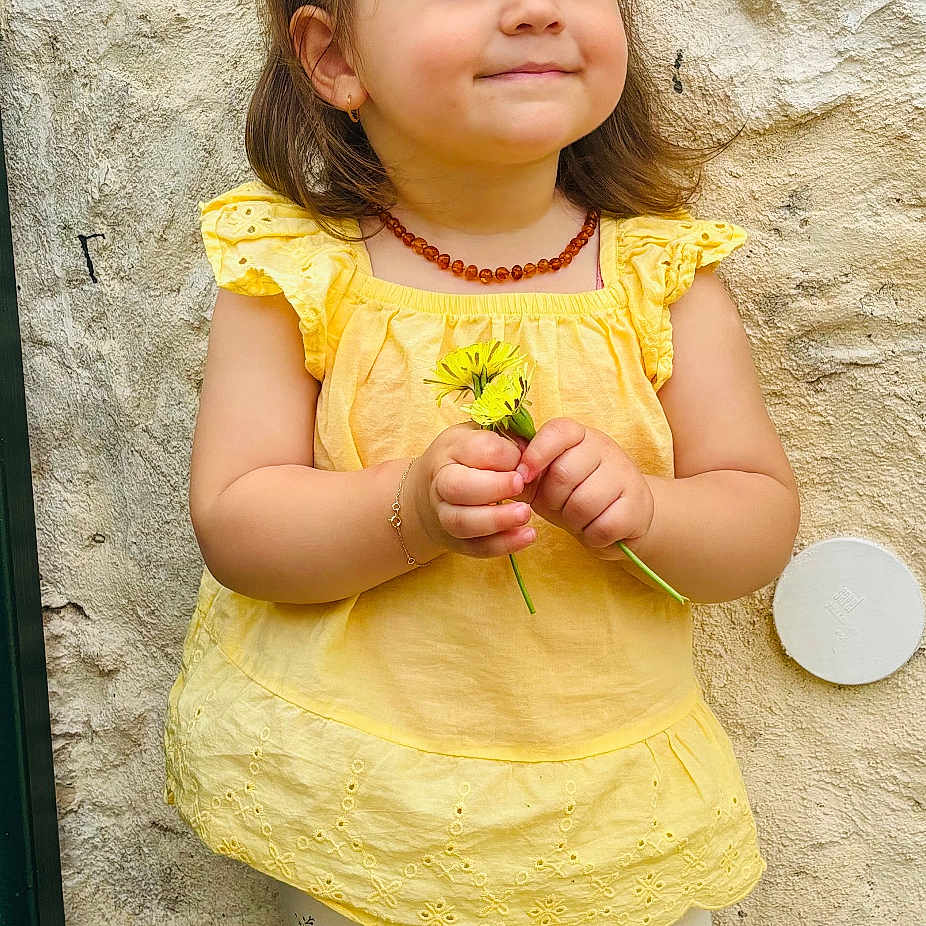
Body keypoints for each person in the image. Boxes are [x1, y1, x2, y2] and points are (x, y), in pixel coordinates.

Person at [162, 0, 802, 923]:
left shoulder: (660, 271)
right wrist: (409, 512)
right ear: (335, 55)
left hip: (608, 812)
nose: (537, 11)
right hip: (368, 808)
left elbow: (756, 518)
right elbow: (239, 524)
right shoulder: (299, 269)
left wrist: (649, 517)